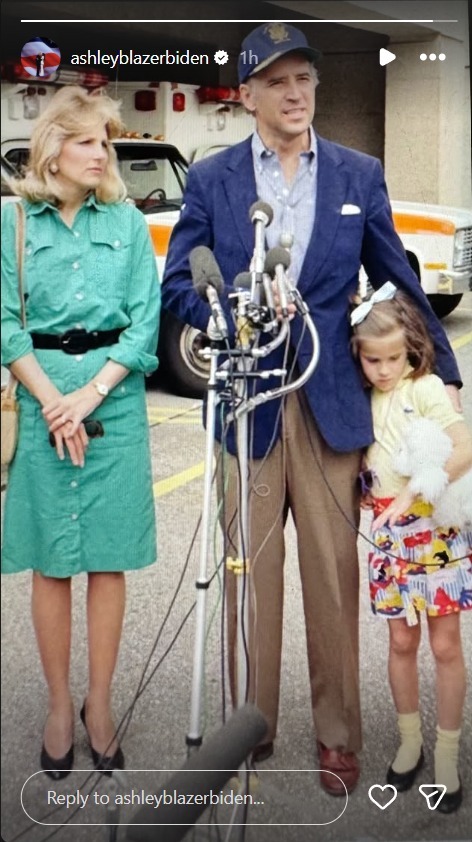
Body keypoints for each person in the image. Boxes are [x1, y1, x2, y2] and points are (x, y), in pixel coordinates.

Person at [161, 22, 462, 795]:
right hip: (248, 403)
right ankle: (250, 725)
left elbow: (397, 278)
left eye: (305, 79)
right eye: (279, 81)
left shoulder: (359, 173)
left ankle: (337, 736)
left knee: (331, 578)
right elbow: (178, 284)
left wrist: (448, 377)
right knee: (249, 576)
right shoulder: (215, 178)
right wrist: (220, 315)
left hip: (332, 404)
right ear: (248, 94)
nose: (296, 94)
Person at [1, 86, 160, 778]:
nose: (101, 154)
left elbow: (145, 323)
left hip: (114, 404)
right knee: (51, 559)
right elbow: (5, 323)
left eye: (106, 143)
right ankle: (60, 706)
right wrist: (52, 402)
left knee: (107, 557)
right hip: (42, 397)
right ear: (52, 149)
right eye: (87, 141)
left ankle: (100, 703)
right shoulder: (11, 223)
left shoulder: (126, 222)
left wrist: (89, 394)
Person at [351, 285, 472, 813]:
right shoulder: (362, 398)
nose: (384, 370)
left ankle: (446, 752)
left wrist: (412, 491)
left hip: (435, 530)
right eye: (372, 359)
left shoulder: (424, 388)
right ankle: (410, 742)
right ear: (358, 355)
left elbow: (465, 448)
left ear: (411, 350)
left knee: (445, 646)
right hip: (388, 535)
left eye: (394, 358)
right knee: (401, 642)